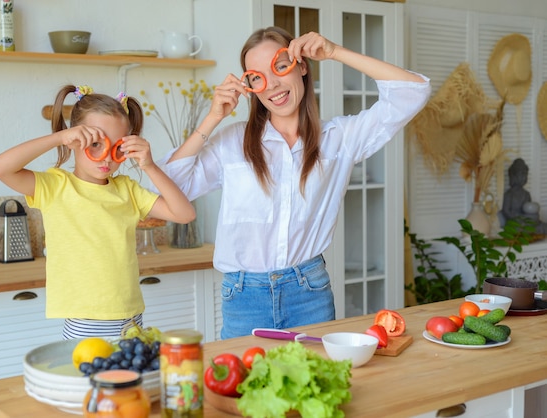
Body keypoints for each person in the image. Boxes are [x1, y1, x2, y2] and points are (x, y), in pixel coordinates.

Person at [157, 27, 431, 339]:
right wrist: (212, 118)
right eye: (257, 77)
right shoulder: (232, 142)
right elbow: (168, 187)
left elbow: (413, 92)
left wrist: (334, 52)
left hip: (309, 293)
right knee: (245, 386)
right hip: (244, 297)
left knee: (317, 384)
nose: (272, 84)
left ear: (301, 66)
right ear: (250, 87)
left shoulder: (338, 140)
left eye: (280, 66)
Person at [0, 85, 195, 339]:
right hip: (85, 319)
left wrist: (150, 166)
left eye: (117, 148)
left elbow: (185, 214)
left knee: (130, 378)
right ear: (75, 140)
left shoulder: (128, 190)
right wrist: (59, 138)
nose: (106, 158)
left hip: (131, 316)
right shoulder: (55, 186)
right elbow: (0, 167)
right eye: (96, 144)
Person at [499, 158, 547, 234]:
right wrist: (519, 217)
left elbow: (530, 211)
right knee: (516, 229)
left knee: (543, 226)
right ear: (513, 176)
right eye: (522, 174)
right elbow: (506, 211)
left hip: (526, 221)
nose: (524, 177)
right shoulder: (508, 195)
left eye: (525, 174)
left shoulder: (526, 194)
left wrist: (532, 217)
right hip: (514, 223)